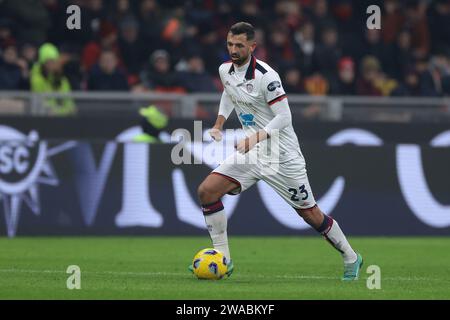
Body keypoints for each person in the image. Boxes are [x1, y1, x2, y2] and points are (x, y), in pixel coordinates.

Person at [189, 22, 363, 280]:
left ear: (252, 46)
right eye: (230, 44)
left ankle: (351, 256)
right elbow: (229, 93)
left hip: (281, 156)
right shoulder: (225, 70)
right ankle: (223, 258)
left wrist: (255, 137)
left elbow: (285, 117)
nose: (233, 50)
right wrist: (219, 123)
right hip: (252, 154)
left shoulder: (266, 76)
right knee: (207, 191)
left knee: (310, 214)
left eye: (239, 45)